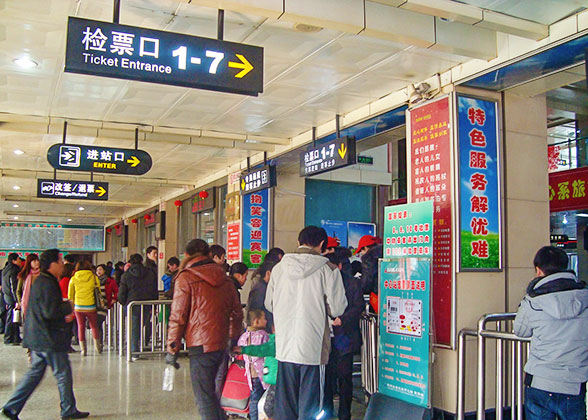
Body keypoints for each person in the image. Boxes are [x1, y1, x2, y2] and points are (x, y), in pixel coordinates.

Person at [265, 226, 348, 420]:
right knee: (311, 406)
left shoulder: (279, 268)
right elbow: (337, 308)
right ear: (321, 244)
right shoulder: (328, 270)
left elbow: (269, 303)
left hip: (285, 346)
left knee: (286, 404)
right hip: (313, 347)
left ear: (299, 242)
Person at [0, 249, 89, 420]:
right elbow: (50, 311)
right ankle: (68, 409)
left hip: (38, 336)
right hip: (48, 337)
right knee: (62, 373)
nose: (63, 264)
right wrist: (68, 306)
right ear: (53, 264)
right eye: (60, 261)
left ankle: (10, 409)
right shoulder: (47, 282)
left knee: (34, 375)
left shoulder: (43, 280)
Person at [166, 239, 243, 420]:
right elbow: (237, 312)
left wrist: (172, 347)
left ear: (186, 255)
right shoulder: (224, 278)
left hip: (200, 346)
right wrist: (232, 338)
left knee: (204, 398)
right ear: (209, 254)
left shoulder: (185, 277)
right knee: (211, 394)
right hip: (221, 344)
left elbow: (178, 316)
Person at [514, 246, 588, 420]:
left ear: (538, 270)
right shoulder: (584, 297)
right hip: (574, 383)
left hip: (540, 381)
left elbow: (520, 330)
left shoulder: (532, 300)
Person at [323, 248, 364, 420]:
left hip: (344, 337)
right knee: (326, 379)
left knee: (345, 378)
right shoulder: (321, 282)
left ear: (339, 266)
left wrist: (343, 319)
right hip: (325, 338)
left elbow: (358, 307)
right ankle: (326, 413)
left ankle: (345, 415)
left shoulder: (352, 283)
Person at [118, 254, 158, 361]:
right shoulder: (150, 273)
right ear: (141, 261)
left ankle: (134, 351)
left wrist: (123, 303)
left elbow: (122, 292)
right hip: (146, 303)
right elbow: (154, 289)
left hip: (132, 304)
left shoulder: (126, 275)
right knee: (141, 326)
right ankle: (139, 347)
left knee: (133, 327)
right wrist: (154, 304)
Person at [237, 309, 270, 420]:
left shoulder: (244, 337)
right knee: (265, 398)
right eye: (264, 318)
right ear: (257, 321)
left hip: (251, 375)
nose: (266, 321)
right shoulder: (263, 336)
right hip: (263, 375)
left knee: (254, 399)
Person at [68, 260, 101, 356]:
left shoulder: (73, 279)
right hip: (91, 306)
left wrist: (72, 307)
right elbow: (98, 290)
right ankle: (97, 348)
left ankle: (83, 350)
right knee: (94, 326)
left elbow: (71, 295)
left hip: (78, 307)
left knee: (81, 327)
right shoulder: (94, 277)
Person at [248, 260, 277, 333]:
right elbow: (256, 309)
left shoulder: (262, 286)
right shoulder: (260, 288)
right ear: (268, 273)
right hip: (261, 328)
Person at [3, 253, 22, 345]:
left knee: (14, 318)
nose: (20, 261)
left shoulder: (6, 270)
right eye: (18, 259)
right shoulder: (13, 270)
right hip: (11, 298)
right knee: (11, 319)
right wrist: (17, 300)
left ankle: (16, 338)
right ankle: (8, 338)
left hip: (7, 296)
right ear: (14, 261)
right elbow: (13, 287)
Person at [95, 264, 118, 341]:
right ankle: (99, 340)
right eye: (97, 270)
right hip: (96, 305)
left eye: (100, 269)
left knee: (99, 322)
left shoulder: (110, 281)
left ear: (104, 271)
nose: (98, 272)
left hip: (106, 304)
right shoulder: (94, 281)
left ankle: (100, 340)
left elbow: (116, 291)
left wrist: (114, 298)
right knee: (98, 323)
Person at [59, 263, 78, 352]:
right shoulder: (66, 280)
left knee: (69, 328)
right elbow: (67, 294)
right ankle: (66, 346)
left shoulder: (64, 279)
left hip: (66, 305)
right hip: (67, 306)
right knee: (68, 329)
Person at [16, 254, 40, 319]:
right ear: (29, 263)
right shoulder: (24, 275)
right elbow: (18, 290)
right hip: (27, 304)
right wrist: (20, 302)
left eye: (37, 260)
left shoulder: (42, 275)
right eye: (34, 261)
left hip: (39, 305)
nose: (37, 262)